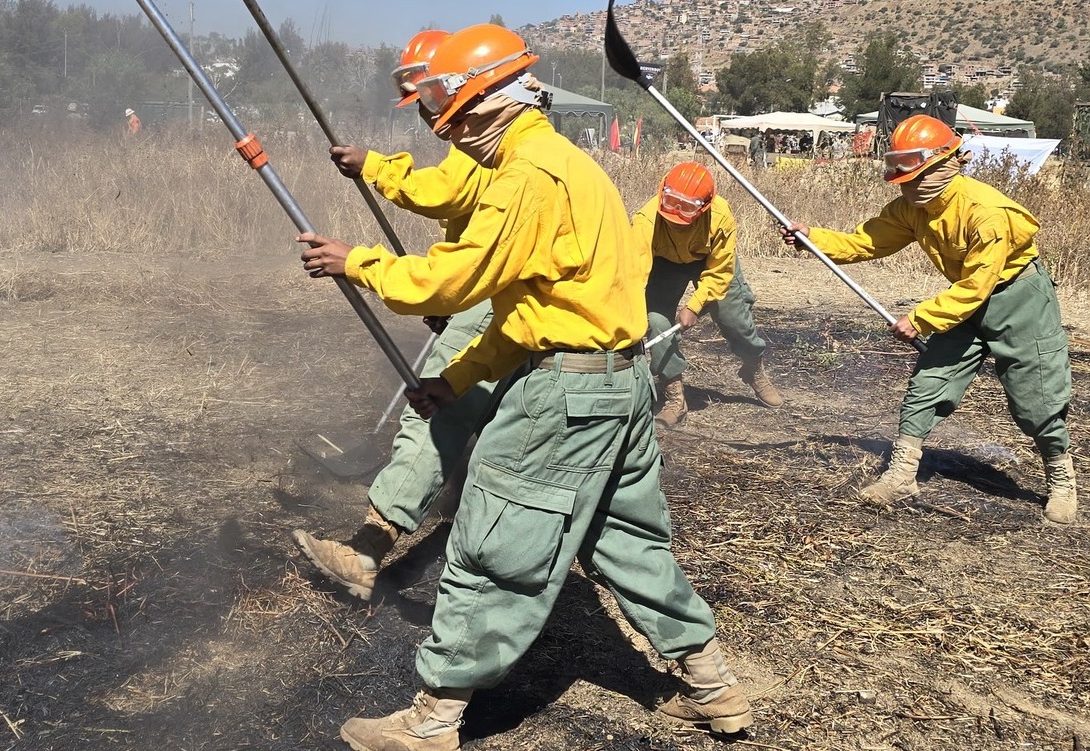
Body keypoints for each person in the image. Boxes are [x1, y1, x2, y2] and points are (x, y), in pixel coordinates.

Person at [297, 23, 753, 750]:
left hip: (564, 398)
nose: (452, 137)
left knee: (490, 545)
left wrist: (359, 262)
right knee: (628, 542)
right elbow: (533, 312)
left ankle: (434, 717)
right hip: (620, 385)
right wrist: (459, 378)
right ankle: (714, 687)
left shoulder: (527, 177)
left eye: (450, 121)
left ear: (483, 106)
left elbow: (450, 280)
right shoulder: (571, 167)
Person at [780, 114, 1076, 524]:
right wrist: (814, 238)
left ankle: (1061, 479)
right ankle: (902, 474)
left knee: (1036, 395)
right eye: (904, 178)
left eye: (916, 176)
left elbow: (977, 286)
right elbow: (868, 240)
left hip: (1016, 298)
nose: (908, 185)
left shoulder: (984, 211)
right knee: (928, 382)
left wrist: (921, 319)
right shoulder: (911, 208)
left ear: (946, 163)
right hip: (962, 302)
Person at [291, 29, 502, 602]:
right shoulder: (491, 133)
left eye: (430, 100)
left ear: (454, 84)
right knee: (482, 409)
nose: (430, 116)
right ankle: (460, 496)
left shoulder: (488, 145)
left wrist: (374, 167)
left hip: (496, 294)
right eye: (422, 106)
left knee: (435, 412)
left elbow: (440, 194)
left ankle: (367, 549)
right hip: (493, 289)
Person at [634, 162, 783, 427]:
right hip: (665, 262)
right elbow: (633, 271)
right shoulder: (646, 219)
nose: (676, 220)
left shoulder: (721, 216)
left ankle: (753, 367)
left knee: (733, 317)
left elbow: (719, 271)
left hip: (710, 262)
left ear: (703, 207)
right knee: (656, 322)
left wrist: (694, 305)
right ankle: (674, 397)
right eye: (670, 210)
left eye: (686, 212)